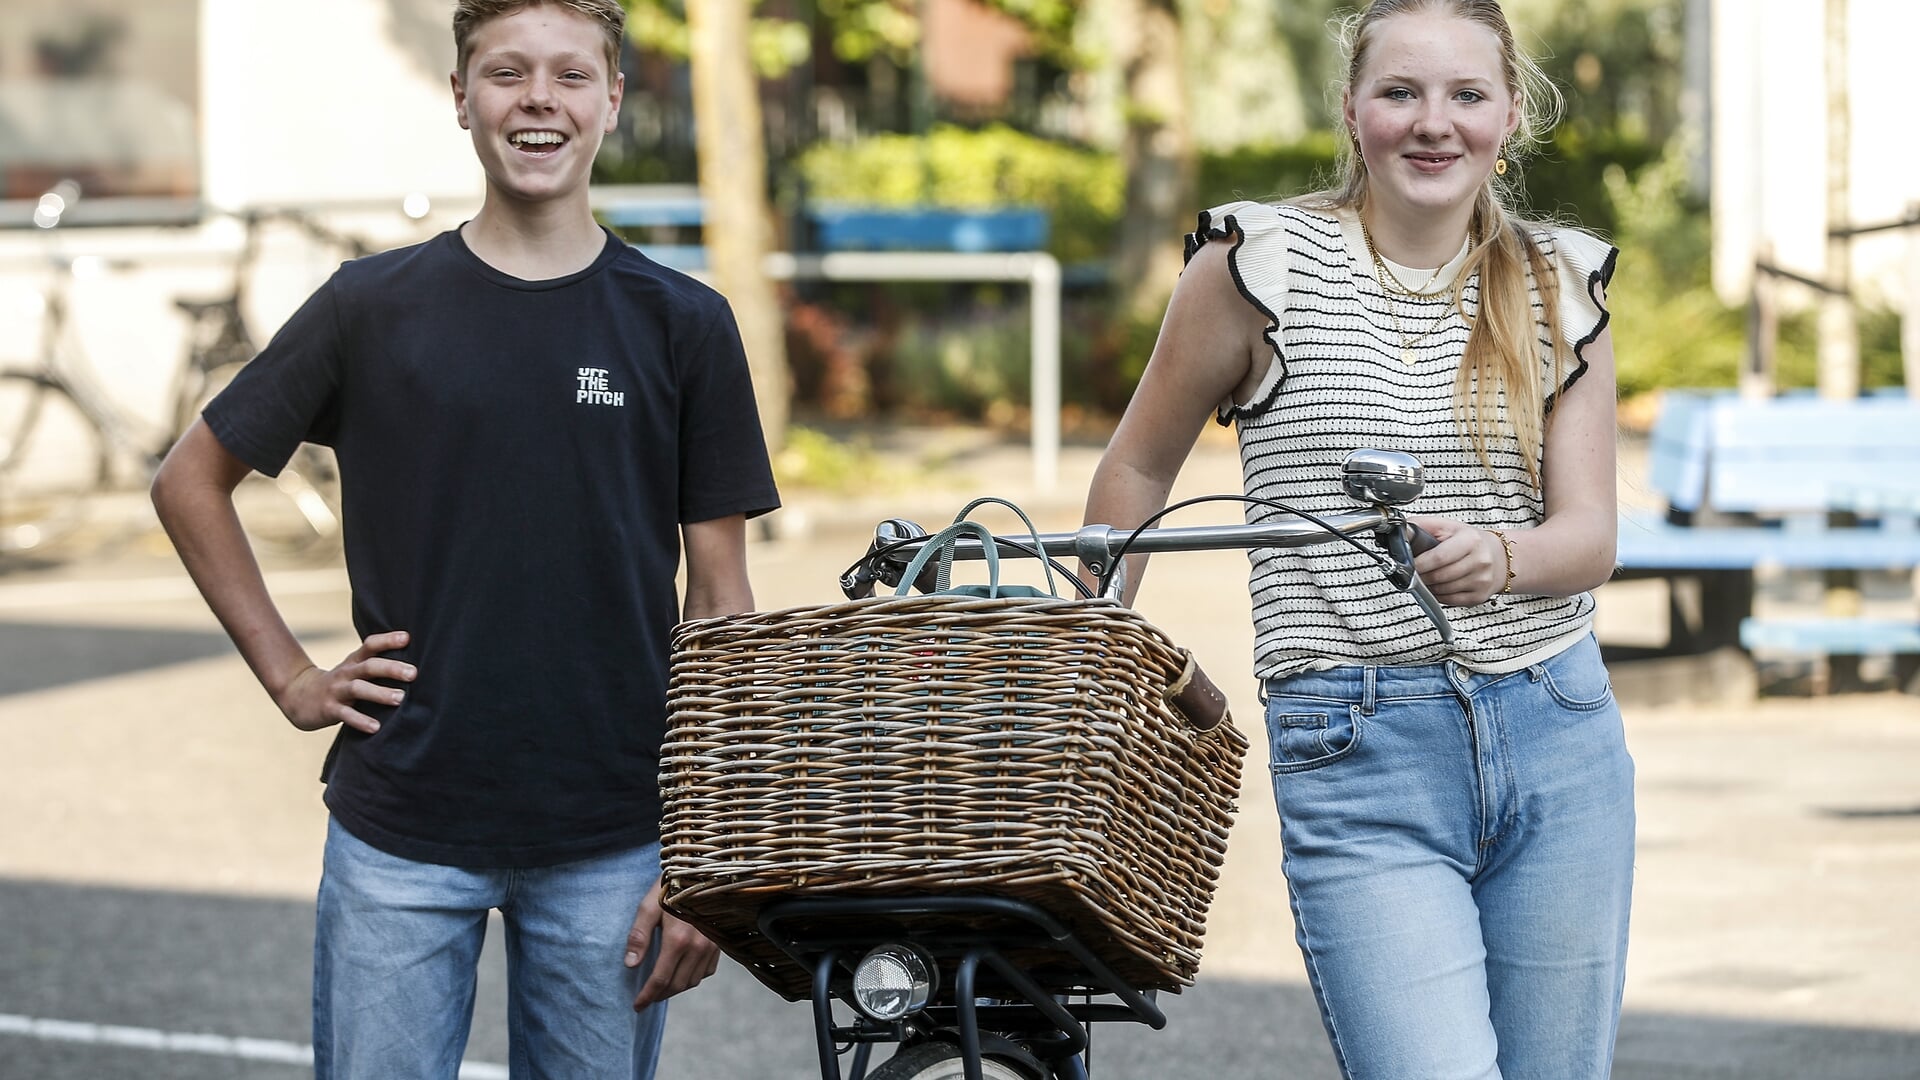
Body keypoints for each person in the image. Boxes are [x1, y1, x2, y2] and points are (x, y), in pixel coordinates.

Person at [149, 1, 780, 1076]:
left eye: (573, 76)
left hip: (614, 836)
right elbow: (190, 481)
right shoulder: (371, 307)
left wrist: (709, 856)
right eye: (506, 73)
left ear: (614, 100)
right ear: (459, 98)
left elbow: (721, 604)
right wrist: (292, 676)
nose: (539, 99)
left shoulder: (683, 323)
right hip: (402, 828)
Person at [1081, 1, 1630, 1077]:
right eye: (1401, 92)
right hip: (1359, 746)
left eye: (1467, 95)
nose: (1435, 123)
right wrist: (1087, 643)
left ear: (1509, 114)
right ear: (1353, 110)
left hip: (1557, 729)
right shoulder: (1257, 266)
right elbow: (1139, 468)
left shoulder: (1561, 282)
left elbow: (1590, 535)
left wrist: (1499, 556)